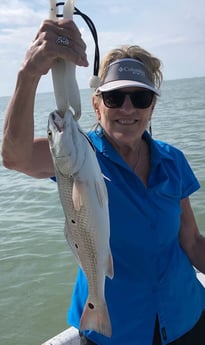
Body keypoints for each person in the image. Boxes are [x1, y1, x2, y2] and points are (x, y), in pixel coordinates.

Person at [2, 18, 205, 345]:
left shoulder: (173, 161)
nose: (128, 108)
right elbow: (16, 157)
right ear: (96, 105)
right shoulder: (75, 155)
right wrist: (29, 73)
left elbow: (193, 241)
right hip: (113, 330)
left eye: (140, 98)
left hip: (185, 316)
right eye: (114, 98)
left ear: (152, 108)